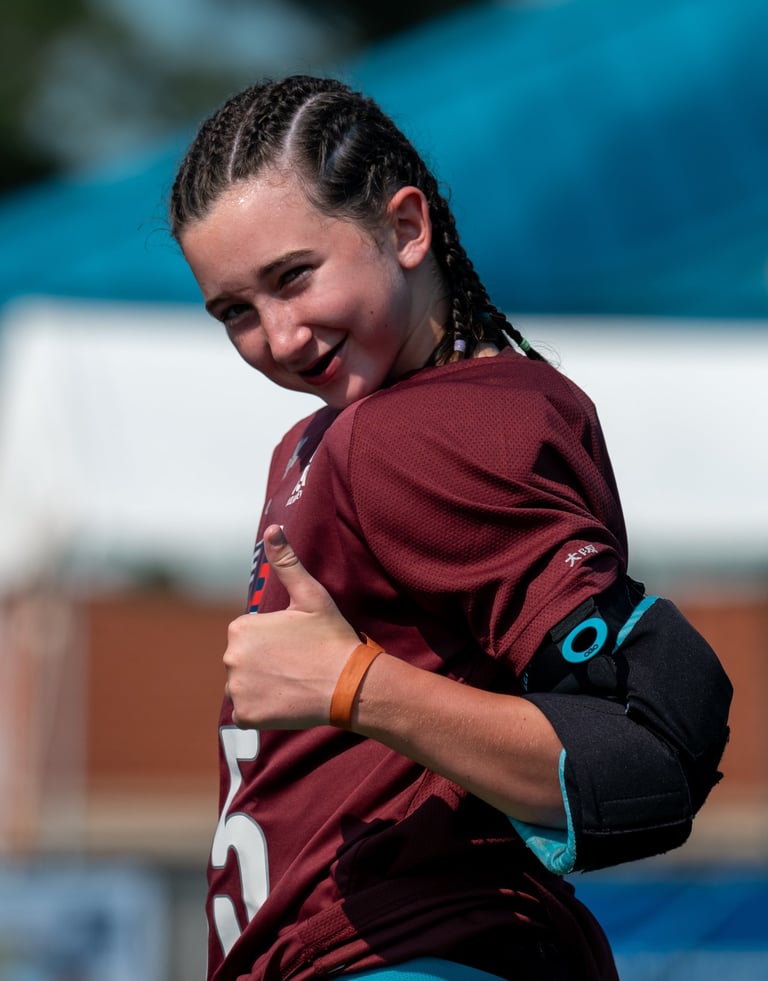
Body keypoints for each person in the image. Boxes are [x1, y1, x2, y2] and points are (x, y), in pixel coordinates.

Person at [168, 75, 732, 981]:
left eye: (293, 277)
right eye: (234, 309)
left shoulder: (434, 427)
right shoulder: (330, 437)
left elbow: (652, 744)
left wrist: (355, 683)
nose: (275, 334)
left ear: (405, 228)